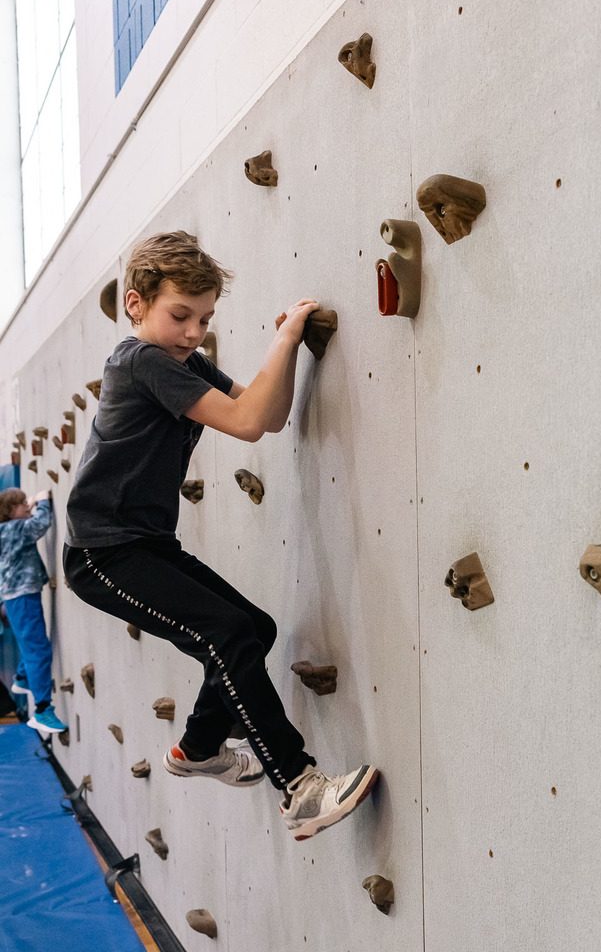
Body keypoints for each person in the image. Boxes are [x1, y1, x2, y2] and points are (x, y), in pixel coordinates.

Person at [63, 231, 378, 840]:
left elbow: (268, 416)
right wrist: (284, 340)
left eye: (205, 319)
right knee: (228, 634)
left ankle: (199, 747)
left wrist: (287, 349)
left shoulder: (185, 363)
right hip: (103, 553)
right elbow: (248, 419)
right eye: (180, 315)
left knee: (253, 629)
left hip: (144, 543)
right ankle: (300, 786)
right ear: (136, 304)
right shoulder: (141, 361)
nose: (193, 332)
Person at [0, 488, 67, 732]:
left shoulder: (6, 530)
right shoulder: (14, 529)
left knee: (31, 645)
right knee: (38, 650)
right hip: (23, 597)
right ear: (10, 511)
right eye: (22, 505)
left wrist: (29, 506)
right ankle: (42, 710)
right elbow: (40, 525)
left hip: (16, 597)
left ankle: (23, 677)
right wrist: (42, 502)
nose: (28, 506)